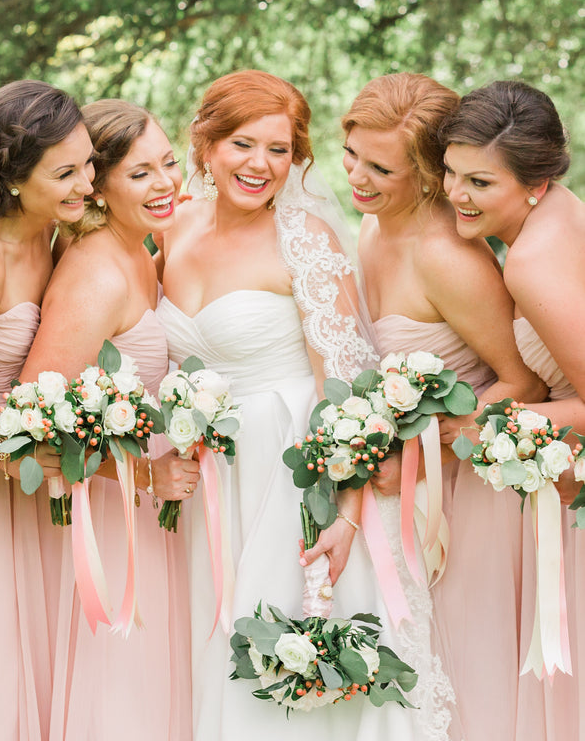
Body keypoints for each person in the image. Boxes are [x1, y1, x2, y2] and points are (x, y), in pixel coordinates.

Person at [158, 69, 455, 741]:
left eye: (278, 149)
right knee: (221, 652)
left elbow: (346, 391)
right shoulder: (167, 229)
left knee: (296, 664)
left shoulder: (307, 241)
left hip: (296, 478)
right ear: (204, 142)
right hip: (212, 480)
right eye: (241, 143)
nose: (259, 165)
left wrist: (346, 517)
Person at [341, 73, 547, 741]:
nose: (358, 179)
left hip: (467, 494)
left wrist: (417, 445)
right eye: (352, 156)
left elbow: (522, 382)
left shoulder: (444, 255)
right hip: (402, 494)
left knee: (467, 683)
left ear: (429, 173)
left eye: (381, 168)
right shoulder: (371, 231)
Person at [21, 99, 199, 740]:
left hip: (149, 521)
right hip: (117, 520)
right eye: (141, 173)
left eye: (169, 164)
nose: (165, 183)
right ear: (100, 183)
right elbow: (36, 418)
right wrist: (145, 480)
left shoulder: (140, 251)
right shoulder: (95, 270)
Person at [0, 80, 95, 740]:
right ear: (13, 180)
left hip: (33, 480)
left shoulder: (56, 231)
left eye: (88, 162)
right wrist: (23, 455)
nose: (87, 183)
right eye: (64, 173)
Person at [441, 79, 585, 741]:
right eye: (449, 172)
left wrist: (493, 426)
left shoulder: (530, 261)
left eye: (478, 183)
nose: (455, 195)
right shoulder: (558, 210)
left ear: (533, 181)